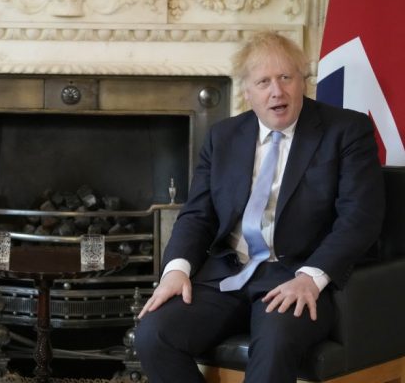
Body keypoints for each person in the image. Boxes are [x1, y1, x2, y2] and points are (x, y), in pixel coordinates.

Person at [135, 31, 384, 383]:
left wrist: (311, 278)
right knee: (153, 334)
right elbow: (197, 215)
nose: (277, 91)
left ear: (303, 82)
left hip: (294, 275)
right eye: (263, 82)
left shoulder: (346, 130)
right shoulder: (223, 136)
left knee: (274, 345)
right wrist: (176, 270)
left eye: (286, 77)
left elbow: (360, 218)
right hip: (228, 274)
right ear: (247, 92)